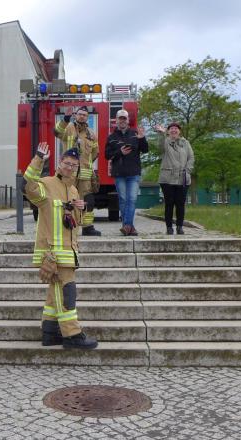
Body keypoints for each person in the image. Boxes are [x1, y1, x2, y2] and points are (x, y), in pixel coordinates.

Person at [23, 141, 98, 349]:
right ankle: (72, 335)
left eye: (74, 165)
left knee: (54, 292)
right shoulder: (46, 184)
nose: (70, 168)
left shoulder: (73, 190)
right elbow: (27, 187)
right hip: (53, 253)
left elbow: (76, 223)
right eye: (67, 163)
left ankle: (50, 332)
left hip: (68, 251)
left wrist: (80, 209)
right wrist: (38, 159)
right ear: (59, 164)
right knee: (67, 292)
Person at [54, 106, 101, 236]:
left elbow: (95, 152)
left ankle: (87, 227)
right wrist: (65, 118)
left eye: (84, 115)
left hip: (85, 175)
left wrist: (86, 164)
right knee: (65, 198)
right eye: (80, 114)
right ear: (75, 115)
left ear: (87, 117)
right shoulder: (68, 128)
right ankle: (64, 225)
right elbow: (56, 132)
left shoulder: (92, 134)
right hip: (69, 173)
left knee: (88, 200)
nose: (82, 116)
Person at [105, 109, 148, 236]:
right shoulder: (111, 137)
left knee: (132, 199)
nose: (122, 121)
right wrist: (120, 152)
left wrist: (142, 139)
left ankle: (127, 226)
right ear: (116, 120)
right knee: (123, 200)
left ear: (128, 120)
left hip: (133, 173)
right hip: (119, 174)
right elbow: (107, 155)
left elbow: (145, 150)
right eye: (120, 118)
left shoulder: (136, 134)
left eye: (124, 118)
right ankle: (130, 227)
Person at [156, 122, 195, 234]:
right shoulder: (165, 141)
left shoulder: (185, 143)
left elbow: (191, 157)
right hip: (167, 179)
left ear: (179, 131)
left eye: (176, 128)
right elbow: (160, 147)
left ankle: (179, 226)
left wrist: (187, 170)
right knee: (169, 203)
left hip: (182, 178)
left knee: (180, 204)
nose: (174, 130)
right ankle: (169, 227)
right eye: (171, 128)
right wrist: (161, 134)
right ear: (168, 131)